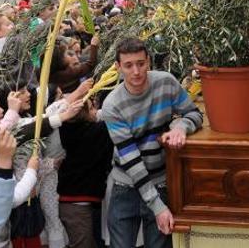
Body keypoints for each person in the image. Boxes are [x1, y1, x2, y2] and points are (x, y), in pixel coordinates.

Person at [100, 38, 203, 248]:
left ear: (148, 61)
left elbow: (194, 113)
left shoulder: (166, 82)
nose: (136, 71)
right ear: (119, 68)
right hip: (125, 186)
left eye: (141, 63)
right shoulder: (112, 105)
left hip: (162, 181)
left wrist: (181, 127)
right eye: (128, 65)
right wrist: (157, 206)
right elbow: (131, 159)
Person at [58, 100, 113, 248]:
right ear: (83, 114)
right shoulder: (95, 132)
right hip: (77, 204)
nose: (96, 111)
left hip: (74, 201)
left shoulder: (67, 130)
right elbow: (110, 120)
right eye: (92, 108)